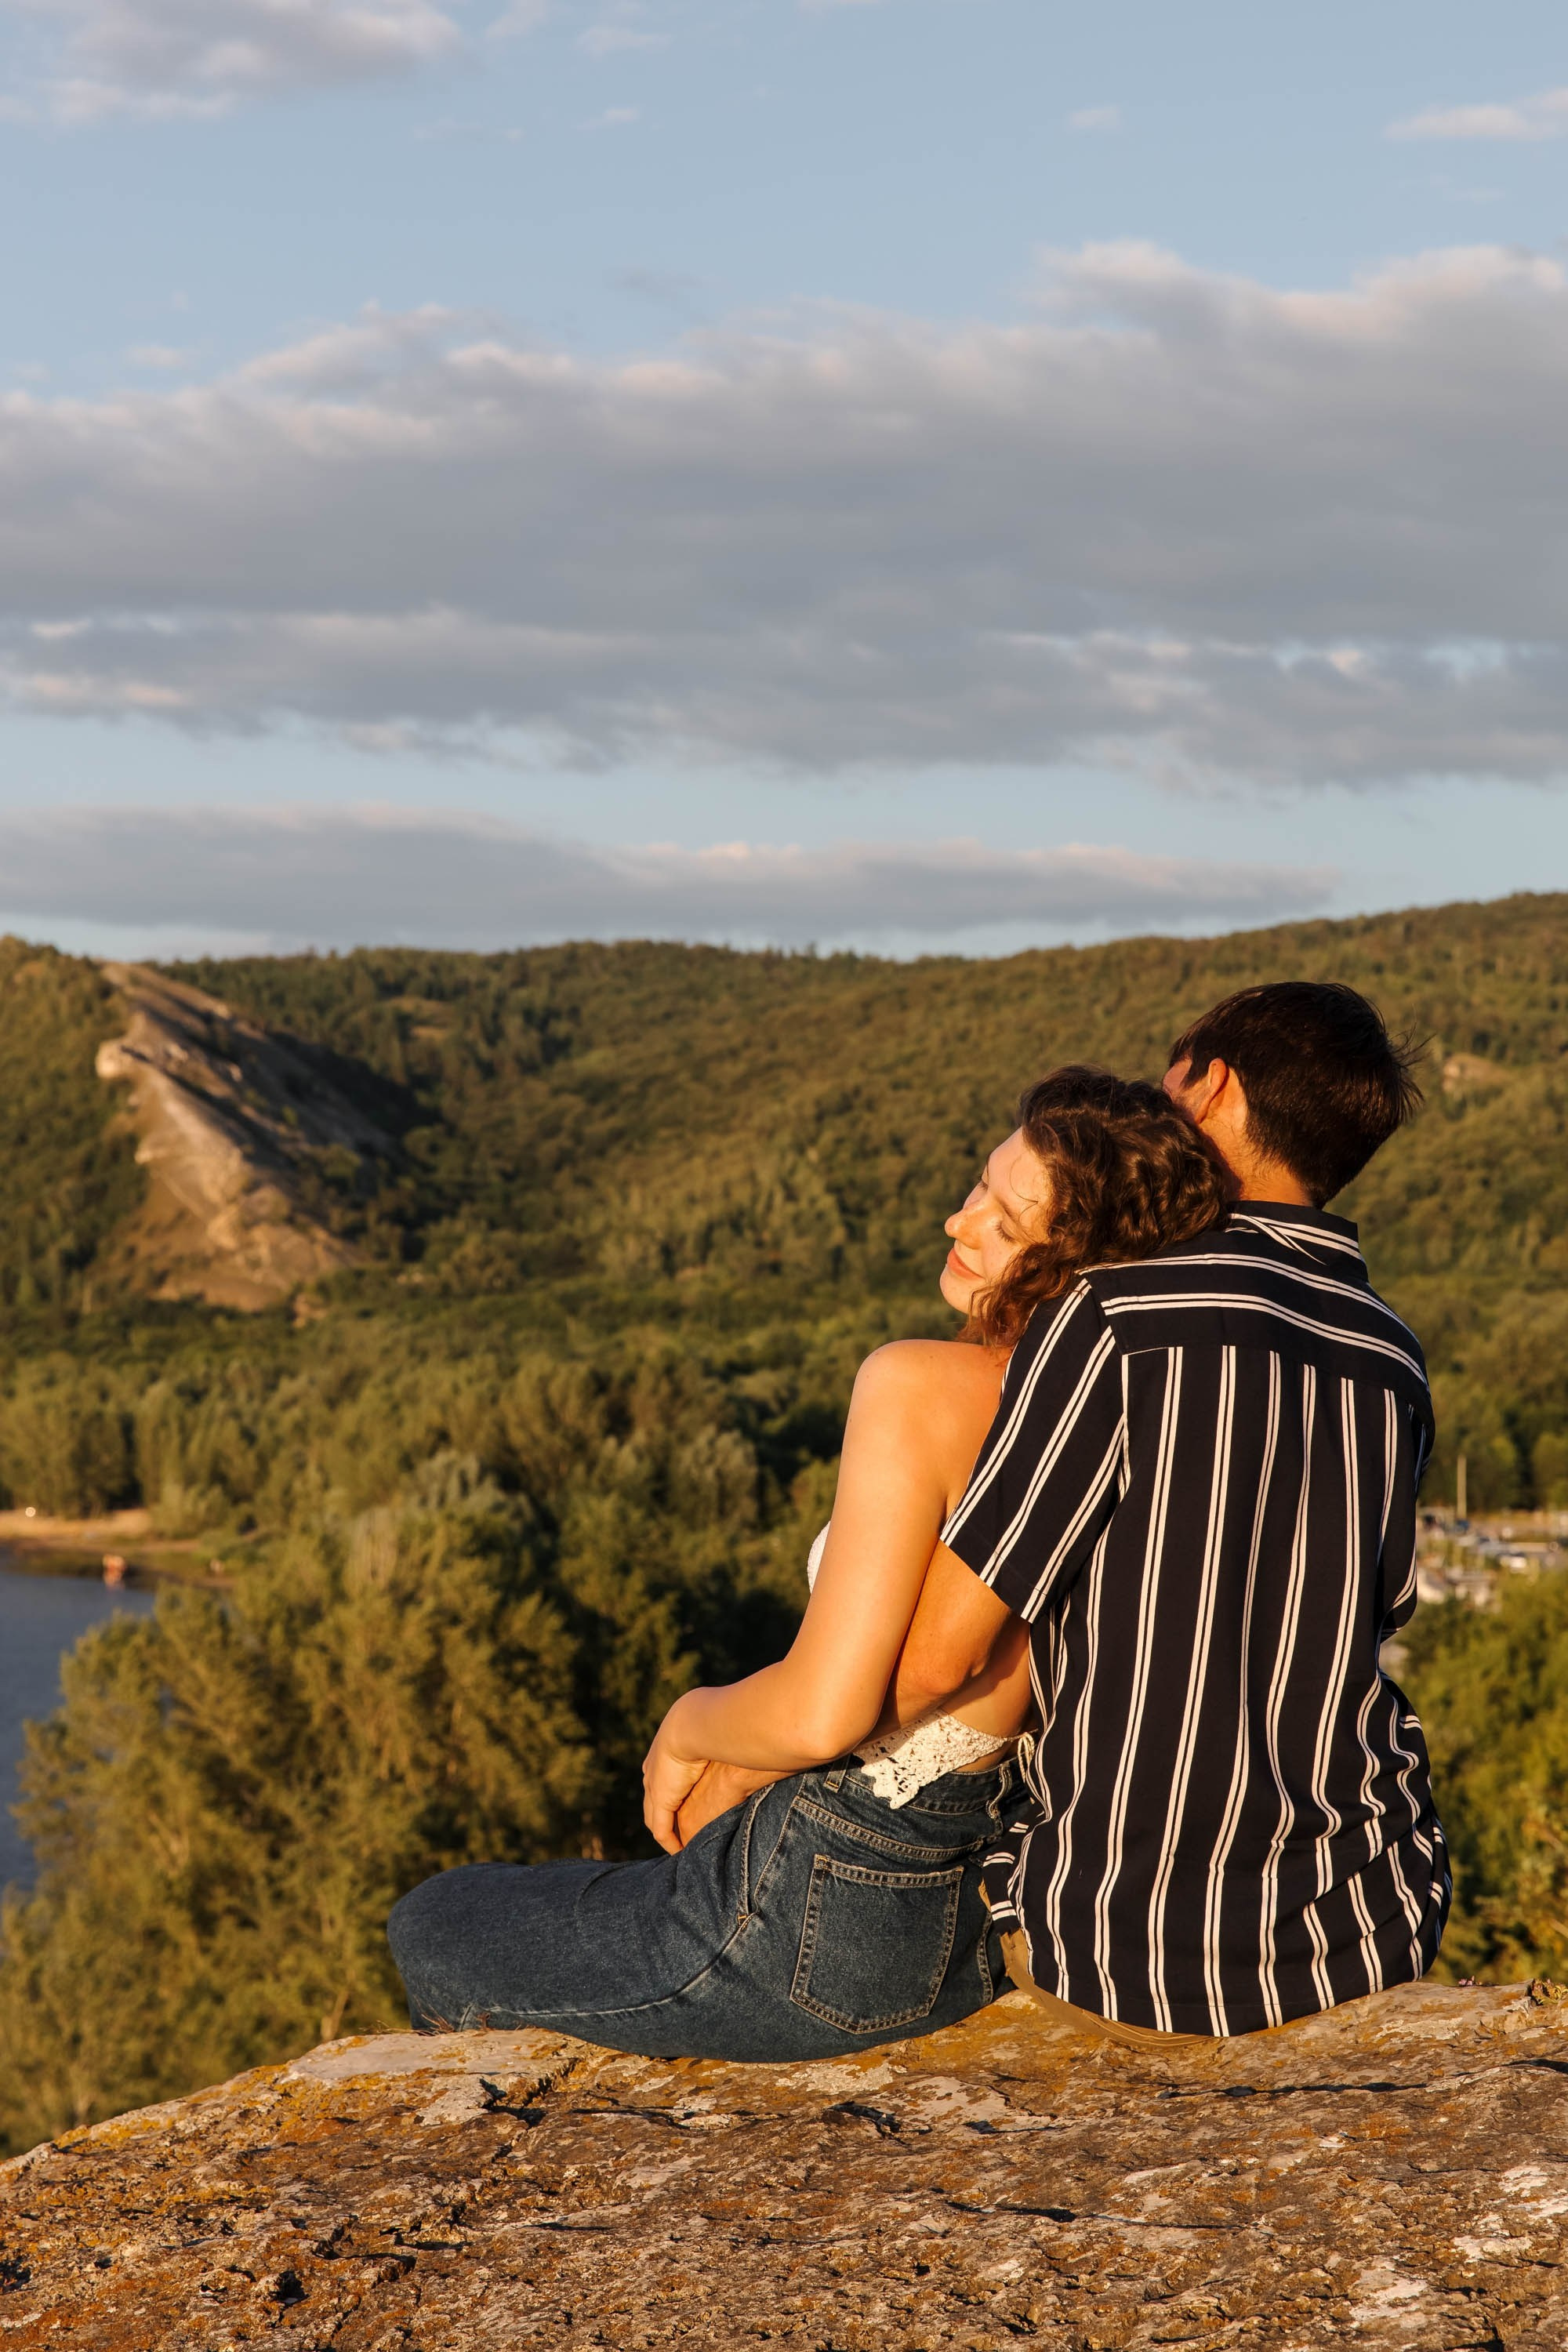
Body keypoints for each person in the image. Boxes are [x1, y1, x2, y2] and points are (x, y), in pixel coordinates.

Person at [386, 1068, 1228, 2058]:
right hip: (972, 1899)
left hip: (831, 1905)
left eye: (1002, 1220)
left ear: (1074, 1256)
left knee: (435, 1923)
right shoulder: (1160, 1402)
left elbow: (827, 1711)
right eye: (977, 1186)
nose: (956, 1222)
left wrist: (688, 1723)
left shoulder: (920, 1383)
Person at [911, 979, 1446, 2043]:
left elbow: (943, 1657)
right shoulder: (1395, 1357)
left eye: (1168, 1083)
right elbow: (1368, 1621)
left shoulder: (1117, 1308)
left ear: (1208, 1087)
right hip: (1363, 1925)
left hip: (1115, 1938)